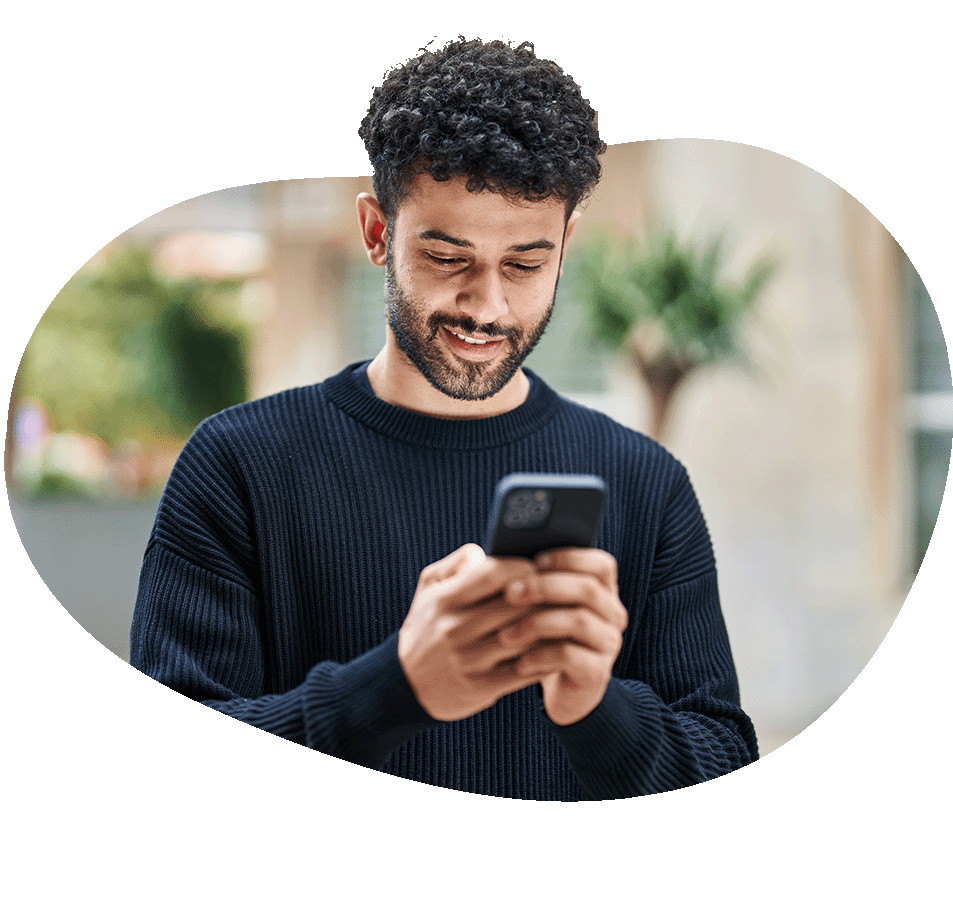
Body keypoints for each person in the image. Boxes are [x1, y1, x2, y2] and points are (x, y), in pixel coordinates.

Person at [130, 37, 758, 800]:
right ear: (376, 234)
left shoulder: (644, 482)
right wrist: (394, 689)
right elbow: (161, 781)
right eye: (447, 257)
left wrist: (596, 709)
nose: (487, 306)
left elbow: (725, 775)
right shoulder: (236, 467)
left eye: (525, 264)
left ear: (565, 248)